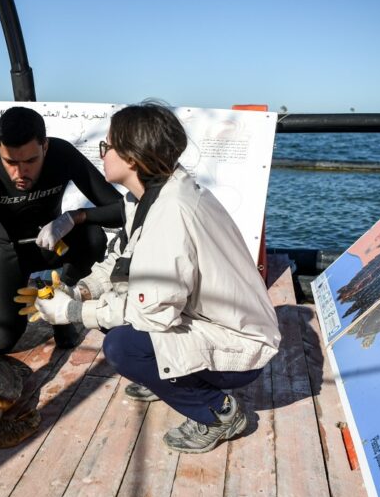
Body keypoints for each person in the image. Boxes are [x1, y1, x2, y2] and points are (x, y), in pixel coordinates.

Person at [32, 101, 281, 454]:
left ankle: (219, 412)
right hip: (207, 318)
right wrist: (82, 291)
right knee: (113, 317)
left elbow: (149, 312)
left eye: (107, 147)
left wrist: (73, 314)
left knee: (122, 347)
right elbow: (124, 262)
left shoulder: (170, 212)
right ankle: (169, 375)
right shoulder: (153, 194)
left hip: (241, 344)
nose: (102, 154)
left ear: (131, 158)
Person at [0, 106, 124, 373]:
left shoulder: (62, 154)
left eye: (30, 162)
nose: (19, 173)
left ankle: (59, 296)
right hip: (6, 251)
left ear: (45, 147)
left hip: (51, 243)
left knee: (93, 235)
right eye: (10, 162)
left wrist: (73, 217)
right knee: (1, 340)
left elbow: (120, 210)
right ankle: (35, 295)